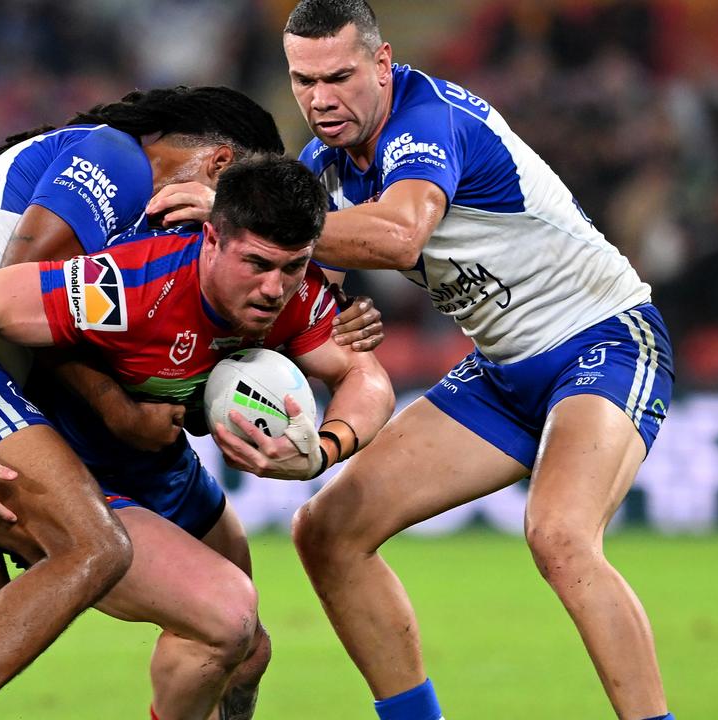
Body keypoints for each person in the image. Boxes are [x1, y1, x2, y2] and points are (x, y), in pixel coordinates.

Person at [0, 88, 377, 720]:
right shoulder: (116, 158)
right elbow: (14, 282)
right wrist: (115, 406)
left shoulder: (167, 237)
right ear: (222, 168)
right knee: (95, 549)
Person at [279, 2, 677, 720]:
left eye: (338, 76)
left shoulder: (428, 120)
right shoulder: (323, 171)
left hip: (604, 341)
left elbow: (400, 236)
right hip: (501, 372)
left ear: (382, 63)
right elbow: (308, 306)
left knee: (559, 534)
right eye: (303, 81)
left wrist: (263, 224)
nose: (320, 99)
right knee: (327, 531)